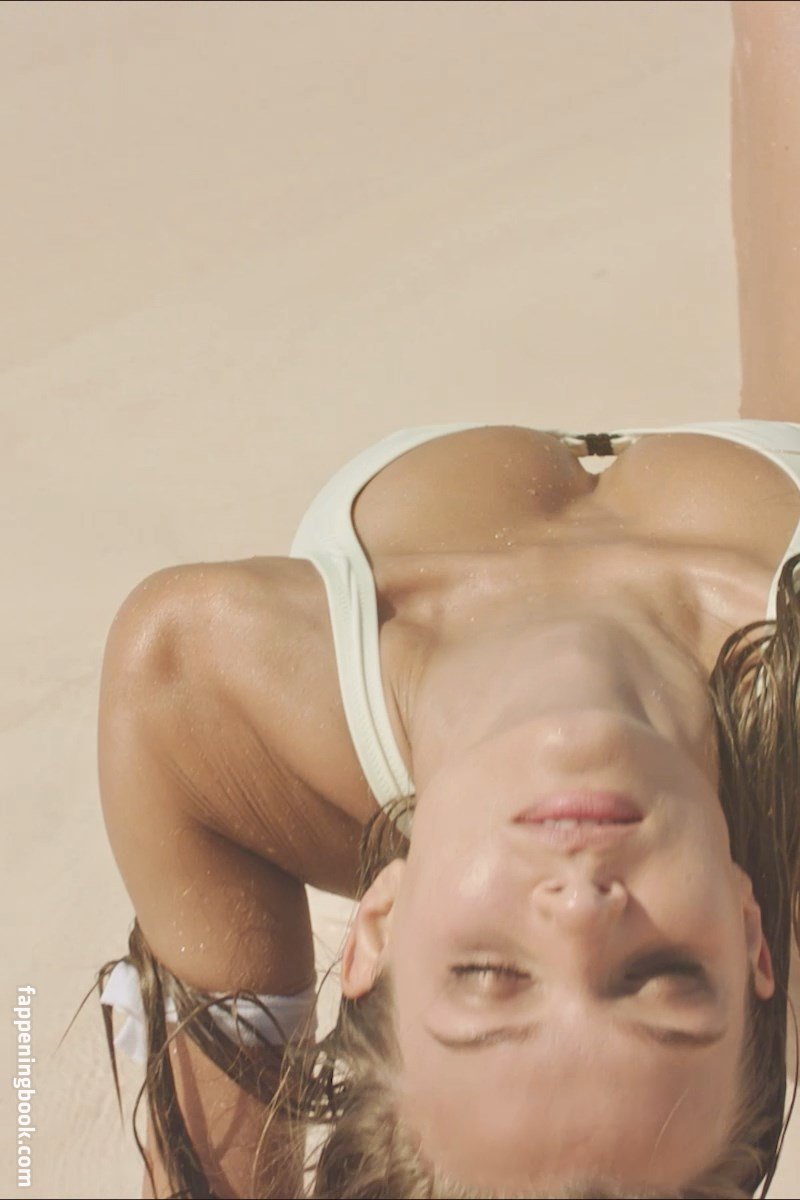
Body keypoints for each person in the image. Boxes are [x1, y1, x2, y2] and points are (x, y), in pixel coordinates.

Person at [95, 3, 800, 1197]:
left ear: (374, 928)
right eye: (659, 979)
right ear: (746, 931)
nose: (578, 905)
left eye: (489, 976)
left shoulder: (206, 690)